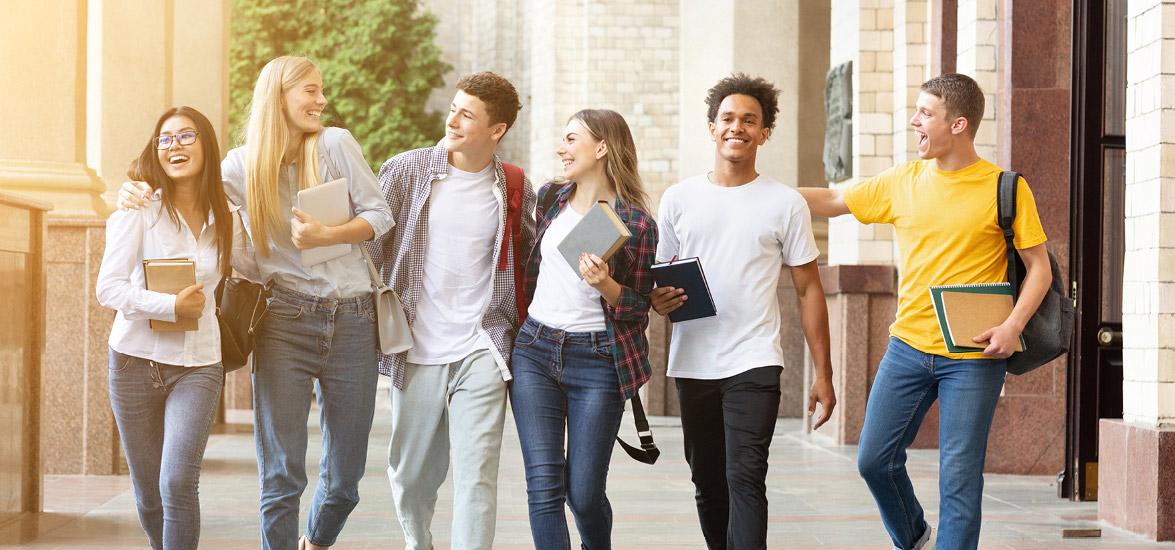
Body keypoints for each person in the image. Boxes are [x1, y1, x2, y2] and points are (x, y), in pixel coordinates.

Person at [121, 56, 394, 550]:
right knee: (282, 475)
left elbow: (380, 213)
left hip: (353, 318)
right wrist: (136, 188)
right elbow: (189, 191)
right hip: (283, 320)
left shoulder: (335, 144)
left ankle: (317, 539)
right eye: (310, 90)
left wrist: (329, 233)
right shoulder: (240, 166)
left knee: (346, 479)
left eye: (321, 90)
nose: (321, 100)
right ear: (279, 96)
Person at [797, 73, 1051, 550]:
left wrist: (1012, 326)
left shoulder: (1006, 188)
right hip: (908, 348)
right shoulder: (902, 182)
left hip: (974, 356)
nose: (914, 121)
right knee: (874, 459)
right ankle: (913, 535)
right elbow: (833, 200)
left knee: (959, 476)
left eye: (925, 113)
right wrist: (758, 192)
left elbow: (1040, 268)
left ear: (958, 124)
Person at [650, 73, 837, 549]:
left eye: (749, 121)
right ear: (712, 128)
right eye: (728, 119)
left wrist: (824, 373)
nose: (738, 127)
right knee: (708, 484)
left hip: (755, 360)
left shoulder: (785, 203)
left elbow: (809, 289)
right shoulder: (678, 198)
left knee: (746, 477)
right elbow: (662, 277)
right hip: (694, 360)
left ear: (764, 132)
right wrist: (658, 299)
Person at [367, 71, 535, 550]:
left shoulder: (515, 187)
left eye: (467, 114)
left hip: (483, 345)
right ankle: (418, 540)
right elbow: (370, 247)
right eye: (454, 108)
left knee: (477, 474)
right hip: (416, 345)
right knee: (412, 472)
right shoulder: (406, 170)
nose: (453, 119)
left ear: (496, 129)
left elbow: (532, 263)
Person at [97, 106, 257, 550]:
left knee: (177, 483)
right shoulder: (138, 209)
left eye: (186, 136)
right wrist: (169, 305)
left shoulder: (226, 215)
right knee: (149, 494)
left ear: (206, 145)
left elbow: (256, 269)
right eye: (164, 139)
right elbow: (107, 289)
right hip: (133, 362)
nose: (174, 146)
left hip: (198, 365)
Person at [511, 109, 658, 549]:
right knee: (544, 487)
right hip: (535, 349)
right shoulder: (551, 197)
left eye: (571, 138)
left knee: (584, 494)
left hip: (597, 360)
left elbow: (639, 307)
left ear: (601, 147)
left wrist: (607, 285)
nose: (562, 147)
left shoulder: (635, 222)